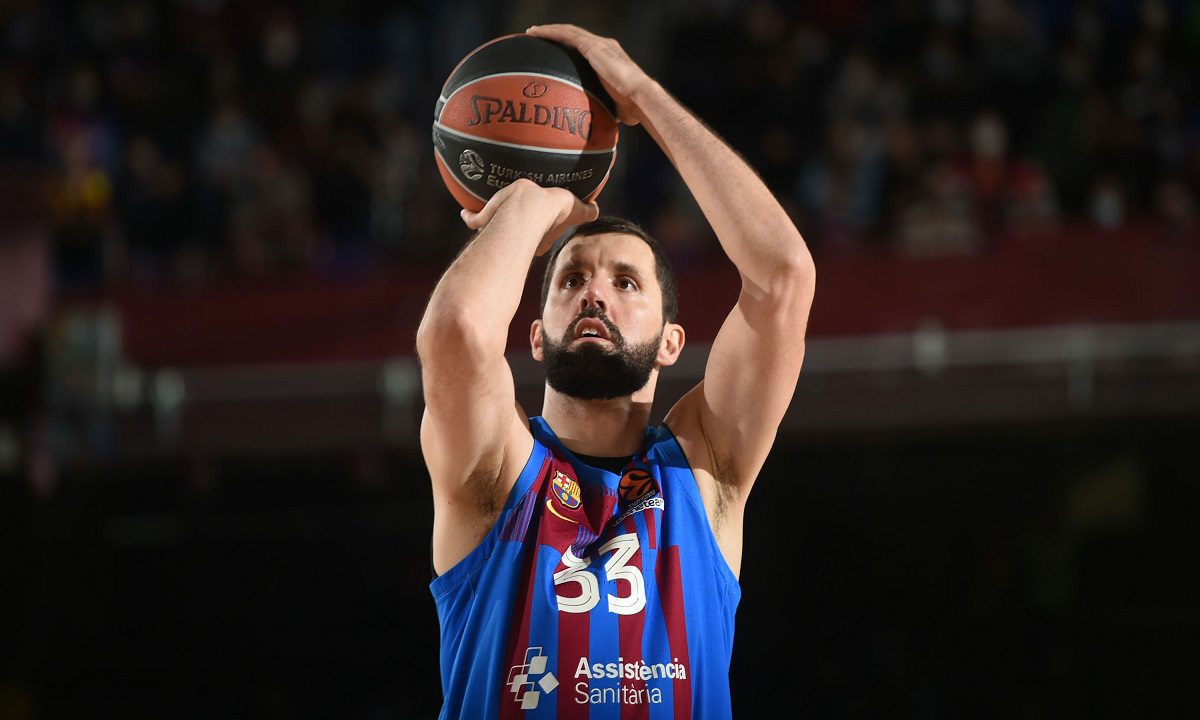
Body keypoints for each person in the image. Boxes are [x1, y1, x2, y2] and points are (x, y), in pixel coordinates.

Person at [418, 24, 815, 719]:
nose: (595, 295)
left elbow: (783, 277)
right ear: (535, 336)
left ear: (671, 342)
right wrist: (532, 203)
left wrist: (641, 94)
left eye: (626, 283)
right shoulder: (495, 470)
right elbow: (455, 331)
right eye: (571, 279)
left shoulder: (707, 468)